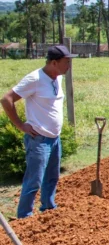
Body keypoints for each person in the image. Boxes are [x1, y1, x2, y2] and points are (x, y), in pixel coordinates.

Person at [1, 45, 77, 219]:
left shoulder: (56, 78)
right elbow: (7, 99)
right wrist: (21, 125)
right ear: (54, 63)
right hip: (39, 140)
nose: (69, 66)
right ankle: (24, 218)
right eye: (67, 62)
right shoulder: (34, 79)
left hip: (54, 138)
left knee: (52, 177)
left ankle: (48, 209)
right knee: (34, 180)